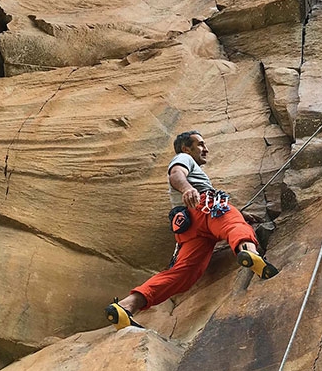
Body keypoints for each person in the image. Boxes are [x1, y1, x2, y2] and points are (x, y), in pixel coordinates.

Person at [105, 130, 278, 329]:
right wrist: (188, 189)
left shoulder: (188, 163)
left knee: (183, 273)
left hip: (187, 227)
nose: (206, 149)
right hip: (205, 206)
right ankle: (249, 254)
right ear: (187, 148)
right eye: (201, 144)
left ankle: (125, 307)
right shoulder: (183, 157)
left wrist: (240, 212)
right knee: (236, 226)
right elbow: (176, 174)